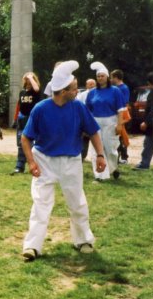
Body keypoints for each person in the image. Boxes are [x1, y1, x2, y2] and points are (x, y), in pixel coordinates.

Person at [20, 61, 106, 261]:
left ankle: (83, 240)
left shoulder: (78, 107)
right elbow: (26, 138)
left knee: (77, 202)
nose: (77, 92)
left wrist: (100, 155)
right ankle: (32, 246)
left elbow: (93, 131)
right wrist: (31, 162)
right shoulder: (40, 109)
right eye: (74, 89)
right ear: (62, 91)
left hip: (71, 161)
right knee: (41, 204)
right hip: (44, 161)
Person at [85, 61, 125, 181]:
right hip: (95, 123)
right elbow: (87, 111)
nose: (100, 78)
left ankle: (113, 168)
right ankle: (99, 175)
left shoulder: (115, 91)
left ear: (107, 77)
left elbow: (121, 110)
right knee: (96, 149)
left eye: (102, 76)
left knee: (110, 149)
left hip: (111, 122)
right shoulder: (92, 93)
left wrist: (119, 125)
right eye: (98, 76)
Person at [12, 72, 41, 173]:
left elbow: (36, 88)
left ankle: (35, 164)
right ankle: (19, 166)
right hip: (22, 119)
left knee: (33, 143)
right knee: (21, 143)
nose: (28, 80)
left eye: (30, 79)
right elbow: (19, 107)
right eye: (26, 79)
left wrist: (30, 76)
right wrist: (15, 119)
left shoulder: (35, 92)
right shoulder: (22, 92)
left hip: (32, 119)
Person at [133, 72, 153, 170]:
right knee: (148, 143)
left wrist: (146, 122)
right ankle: (144, 164)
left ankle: (144, 164)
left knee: (149, 143)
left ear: (150, 82)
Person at [111, 69, 131, 164]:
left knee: (122, 136)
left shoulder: (123, 88)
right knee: (117, 136)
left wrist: (122, 117)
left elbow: (125, 103)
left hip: (121, 114)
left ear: (116, 77)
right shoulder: (115, 88)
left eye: (112, 77)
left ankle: (124, 157)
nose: (111, 79)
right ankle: (118, 156)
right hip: (115, 114)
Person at [77, 78, 96, 161]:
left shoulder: (98, 93)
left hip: (95, 119)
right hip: (85, 119)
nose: (91, 85)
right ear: (86, 85)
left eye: (93, 84)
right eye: (89, 84)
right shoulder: (82, 95)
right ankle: (82, 156)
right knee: (84, 139)